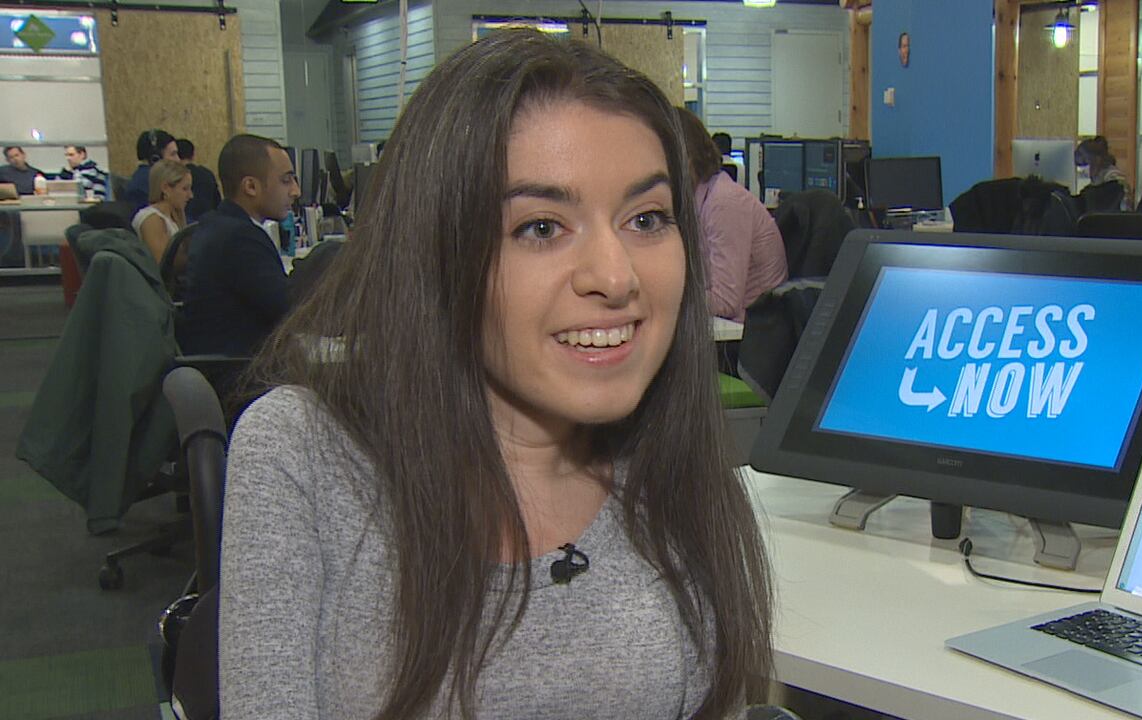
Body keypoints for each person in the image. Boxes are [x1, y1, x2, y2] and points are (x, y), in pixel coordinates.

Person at [220, 29, 773, 719]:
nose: (615, 275)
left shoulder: (675, 470)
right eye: (541, 227)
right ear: (436, 252)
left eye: (646, 218)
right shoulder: (303, 454)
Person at [177, 134, 297, 356]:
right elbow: (293, 310)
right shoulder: (239, 238)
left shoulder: (218, 224)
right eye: (286, 180)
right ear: (251, 186)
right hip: (243, 377)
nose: (295, 191)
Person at [676, 108, 787, 322]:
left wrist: (667, 296)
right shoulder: (698, 201)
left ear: (685, 159)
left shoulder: (724, 203)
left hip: (752, 333)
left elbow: (725, 300)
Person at [131, 159, 192, 262]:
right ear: (166, 188)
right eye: (185, 189)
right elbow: (163, 265)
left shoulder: (175, 217)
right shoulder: (150, 220)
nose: (190, 195)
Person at [124, 129, 180, 213]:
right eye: (173, 154)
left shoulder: (145, 179)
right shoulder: (148, 185)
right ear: (155, 159)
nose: (178, 160)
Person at [1075, 135, 1130, 209]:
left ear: (1094, 160)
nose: (1082, 169)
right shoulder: (1097, 178)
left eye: (1084, 163)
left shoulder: (1114, 176)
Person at [176, 138, 222, 222]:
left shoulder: (174, 176)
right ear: (193, 155)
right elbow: (217, 203)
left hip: (184, 227)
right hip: (208, 224)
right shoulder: (207, 174)